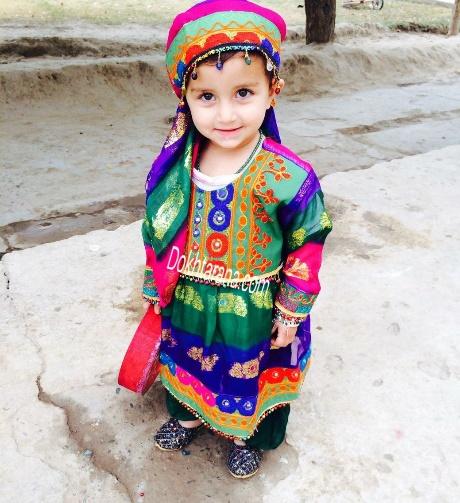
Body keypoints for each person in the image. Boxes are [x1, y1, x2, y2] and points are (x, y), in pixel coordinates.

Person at [140, 0, 333, 479]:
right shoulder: (177, 167)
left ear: (274, 92)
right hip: (189, 295)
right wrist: (154, 281)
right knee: (187, 357)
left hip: (257, 306)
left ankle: (251, 436)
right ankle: (188, 415)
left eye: (243, 92)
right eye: (206, 96)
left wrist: (292, 308)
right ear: (184, 98)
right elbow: (159, 228)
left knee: (252, 372)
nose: (225, 114)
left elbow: (308, 241)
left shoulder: (289, 175)